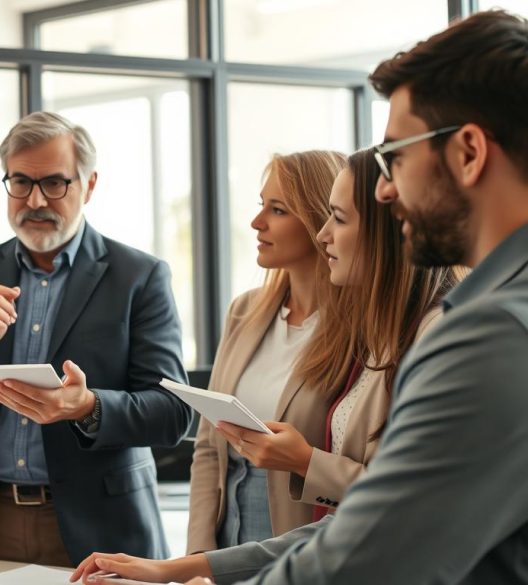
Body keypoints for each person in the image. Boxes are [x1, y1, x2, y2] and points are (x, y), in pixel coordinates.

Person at [80, 9, 528, 584]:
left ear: (468, 152)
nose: (386, 190)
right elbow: (364, 528)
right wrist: (187, 569)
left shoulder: (488, 334)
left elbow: (374, 556)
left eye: (396, 157)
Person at [0, 111, 192, 566]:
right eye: (20, 182)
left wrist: (88, 406)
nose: (35, 200)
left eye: (54, 184)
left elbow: (173, 414)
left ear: (89, 185)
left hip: (100, 528)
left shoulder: (140, 277)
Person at [213, 149, 461, 519]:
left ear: (387, 233)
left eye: (338, 218)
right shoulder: (387, 333)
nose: (324, 234)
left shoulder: (429, 335)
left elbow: (415, 500)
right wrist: (197, 561)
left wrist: (306, 461)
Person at [188, 151, 344, 553]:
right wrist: (196, 556)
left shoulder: (358, 330)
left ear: (319, 220)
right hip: (226, 532)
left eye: (277, 210)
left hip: (302, 539)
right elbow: (209, 447)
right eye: (261, 206)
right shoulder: (245, 310)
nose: (257, 223)